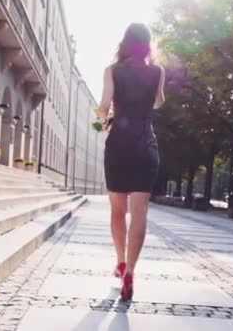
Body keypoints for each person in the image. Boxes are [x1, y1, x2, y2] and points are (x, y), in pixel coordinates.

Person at [96, 22, 166, 301]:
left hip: (119, 145)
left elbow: (103, 106)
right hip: (145, 144)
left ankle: (120, 260)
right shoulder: (157, 71)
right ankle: (131, 273)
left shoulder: (112, 71)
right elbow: (158, 103)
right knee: (140, 212)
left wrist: (105, 120)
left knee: (117, 210)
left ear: (125, 42)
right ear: (148, 44)